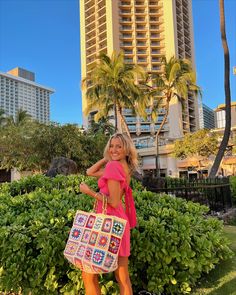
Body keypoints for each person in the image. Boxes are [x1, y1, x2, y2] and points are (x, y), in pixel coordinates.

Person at [79, 133, 138, 295]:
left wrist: (89, 191)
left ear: (127, 150)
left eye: (119, 146)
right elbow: (90, 172)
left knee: (88, 273)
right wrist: (108, 157)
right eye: (111, 146)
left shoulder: (114, 167)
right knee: (122, 277)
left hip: (107, 225)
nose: (114, 149)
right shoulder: (124, 168)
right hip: (119, 224)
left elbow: (113, 202)